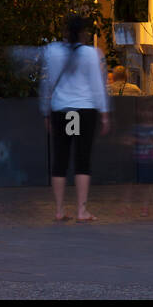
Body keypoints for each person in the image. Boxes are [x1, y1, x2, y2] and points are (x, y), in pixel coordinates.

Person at [40, 15, 110, 223]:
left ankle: (60, 210)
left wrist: (45, 111)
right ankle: (81, 211)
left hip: (61, 110)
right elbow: (98, 86)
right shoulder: (90, 54)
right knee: (82, 159)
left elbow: (46, 83)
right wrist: (105, 114)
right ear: (83, 32)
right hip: (83, 111)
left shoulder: (52, 51)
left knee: (60, 158)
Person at [131, 102, 153, 217]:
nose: (147, 114)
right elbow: (129, 140)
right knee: (147, 186)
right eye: (145, 111)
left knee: (149, 185)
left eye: (150, 111)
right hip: (141, 160)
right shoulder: (137, 128)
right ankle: (151, 207)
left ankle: (146, 208)